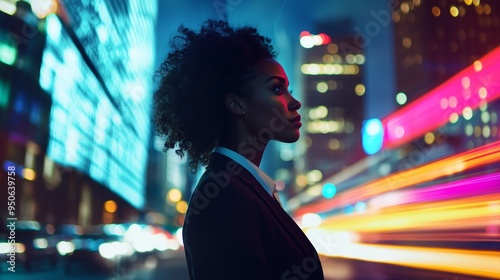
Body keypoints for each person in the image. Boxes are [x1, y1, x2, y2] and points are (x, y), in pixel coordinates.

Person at [153, 19, 324, 280]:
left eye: (287, 89)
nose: (295, 102)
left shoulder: (241, 189)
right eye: (277, 88)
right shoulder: (225, 199)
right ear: (236, 104)